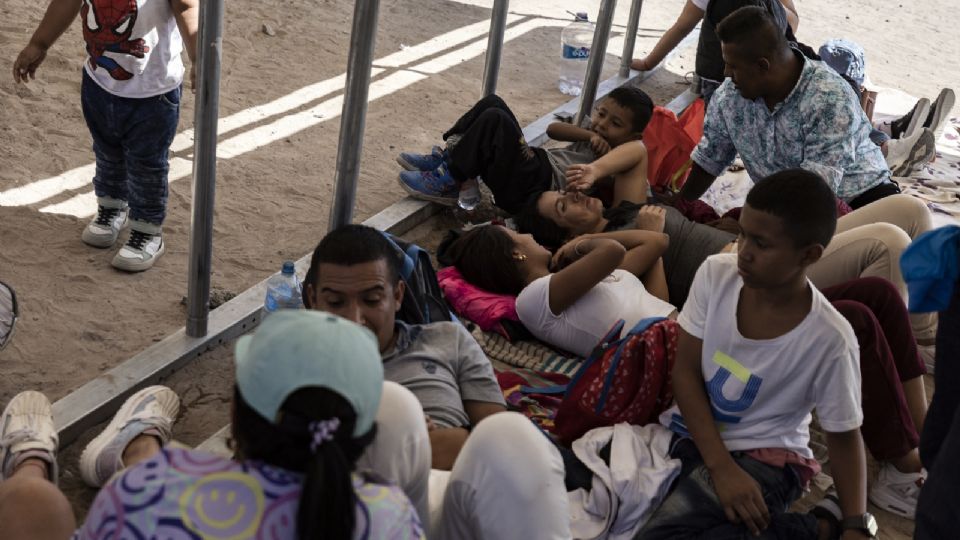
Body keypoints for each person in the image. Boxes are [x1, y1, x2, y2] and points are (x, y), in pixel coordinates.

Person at [0, 311, 425, 539]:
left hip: (151, 487)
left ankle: (34, 463)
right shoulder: (390, 517)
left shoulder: (145, 494)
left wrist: (150, 477)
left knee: (31, 504)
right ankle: (137, 447)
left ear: (235, 417)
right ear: (365, 434)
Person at [637, 169, 877, 539]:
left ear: (809, 255)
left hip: (768, 458)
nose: (743, 253)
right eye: (744, 233)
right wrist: (720, 467)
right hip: (692, 437)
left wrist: (856, 523)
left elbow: (844, 435)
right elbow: (684, 372)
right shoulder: (716, 275)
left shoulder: (830, 339)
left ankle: (822, 528)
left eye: (761, 244)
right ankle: (811, 528)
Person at [302, 224, 572, 539]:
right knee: (391, 409)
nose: (355, 319)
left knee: (513, 432)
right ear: (313, 299)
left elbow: (495, 446)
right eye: (336, 303)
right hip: (367, 510)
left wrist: (405, 444)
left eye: (372, 300)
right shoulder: (298, 368)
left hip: (452, 502)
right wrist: (404, 438)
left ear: (398, 295)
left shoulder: (446, 339)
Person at [13, 0, 198, 272]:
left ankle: (147, 231)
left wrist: (198, 56)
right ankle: (112, 208)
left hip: (152, 92)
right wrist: (39, 43)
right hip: (99, 81)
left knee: (146, 164)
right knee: (107, 150)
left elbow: (187, 7)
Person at [674, 7, 899, 209]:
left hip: (861, 200)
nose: (725, 74)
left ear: (763, 66)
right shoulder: (729, 97)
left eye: (733, 66)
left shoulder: (829, 98)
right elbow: (710, 158)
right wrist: (680, 204)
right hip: (790, 207)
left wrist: (756, 231)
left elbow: (814, 193)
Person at [445, 210, 676, 358]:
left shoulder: (577, 281)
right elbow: (613, 251)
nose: (528, 235)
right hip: (671, 353)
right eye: (519, 234)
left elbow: (657, 242)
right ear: (516, 254)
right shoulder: (531, 300)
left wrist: (653, 255)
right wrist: (580, 243)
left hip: (682, 334)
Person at [396, 87, 654, 214]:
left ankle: (451, 179)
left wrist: (607, 162)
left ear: (634, 137)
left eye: (615, 124)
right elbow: (554, 130)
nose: (603, 124)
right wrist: (589, 133)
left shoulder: (623, 160)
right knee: (493, 102)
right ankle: (450, 157)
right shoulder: (593, 133)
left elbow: (632, 195)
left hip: (539, 187)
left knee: (496, 119)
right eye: (602, 114)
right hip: (533, 165)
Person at [630, 0, 799, 105]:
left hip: (755, 77)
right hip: (721, 77)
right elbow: (682, 26)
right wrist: (649, 62)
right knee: (719, 131)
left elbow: (791, 24)